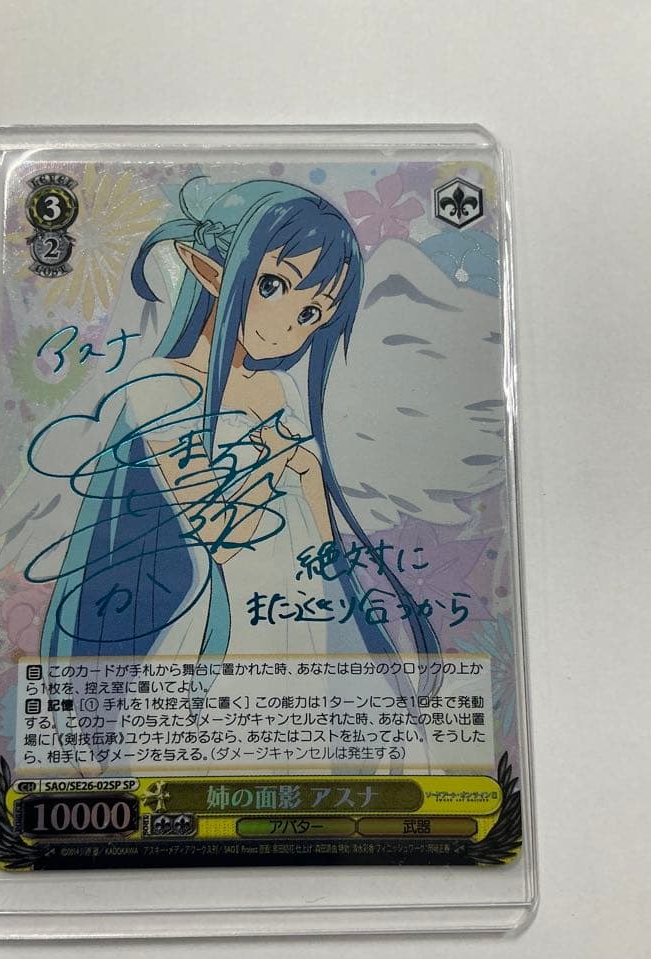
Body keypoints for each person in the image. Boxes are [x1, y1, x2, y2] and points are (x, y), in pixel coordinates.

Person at [28, 178, 438, 677]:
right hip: (216, 617)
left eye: (312, 313)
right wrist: (277, 462)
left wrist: (305, 471)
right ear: (209, 273)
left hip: (296, 605)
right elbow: (221, 534)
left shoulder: (279, 389)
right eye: (272, 286)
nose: (289, 326)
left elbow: (322, 540)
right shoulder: (161, 385)